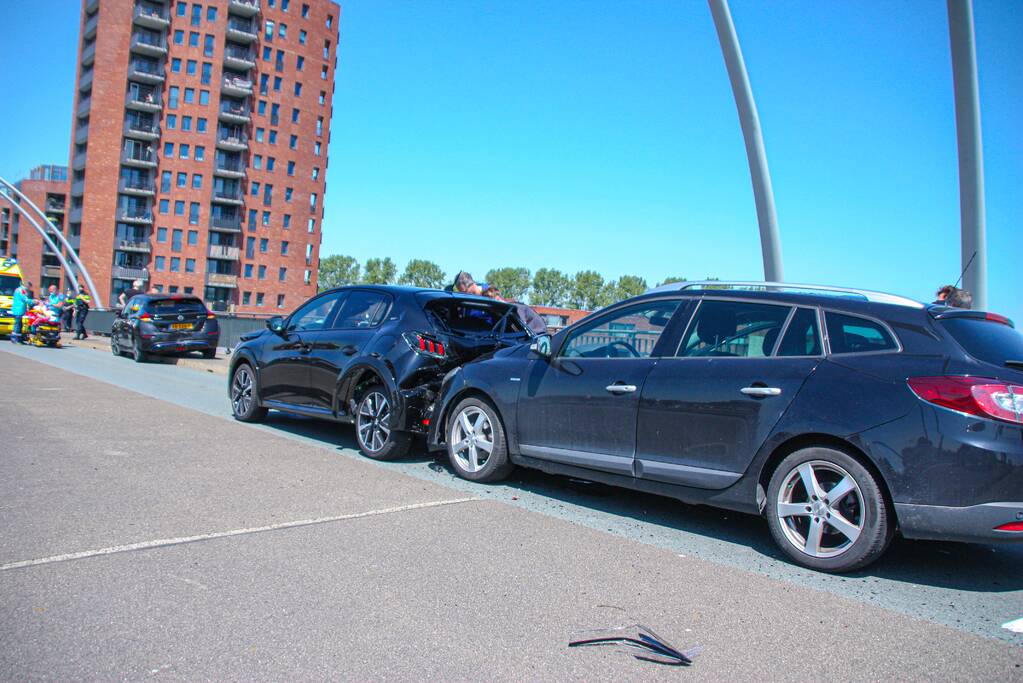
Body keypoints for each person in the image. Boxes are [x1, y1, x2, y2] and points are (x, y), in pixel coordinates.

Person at [482, 285, 549, 336]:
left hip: (539, 333)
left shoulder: (516, 308)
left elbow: (522, 328)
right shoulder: (501, 312)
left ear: (498, 298)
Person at [10, 280, 33, 344]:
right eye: (29, 287)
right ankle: (16, 339)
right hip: (19, 309)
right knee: (18, 324)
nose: (29, 289)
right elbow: (25, 299)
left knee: (18, 324)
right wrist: (33, 301)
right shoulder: (22, 290)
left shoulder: (17, 289)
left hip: (17, 308)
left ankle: (17, 338)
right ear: (27, 286)